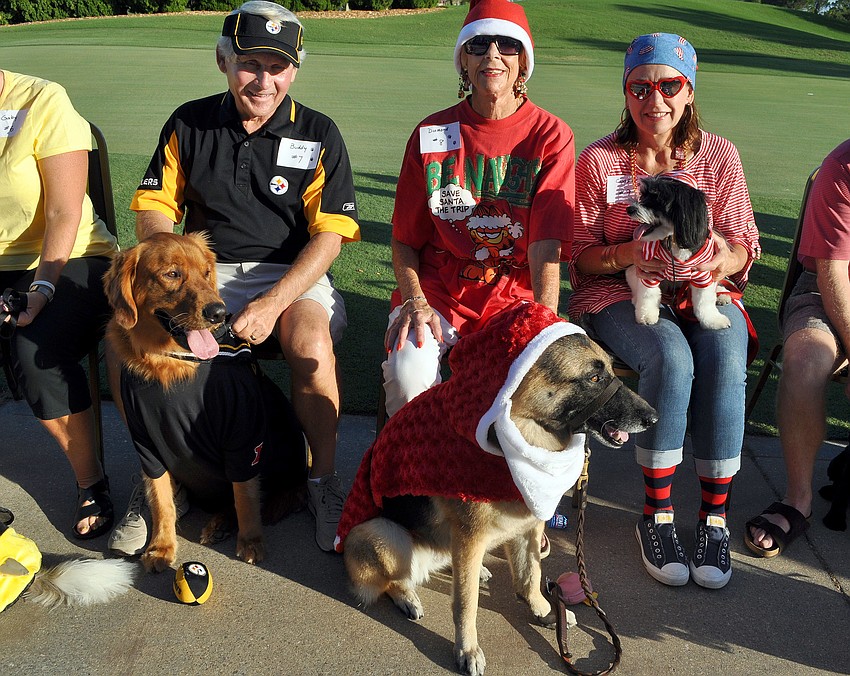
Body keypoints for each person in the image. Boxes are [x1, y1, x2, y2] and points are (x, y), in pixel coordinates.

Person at [124, 1, 360, 553]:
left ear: (294, 70)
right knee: (128, 338)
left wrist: (275, 303)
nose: (263, 80)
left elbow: (329, 236)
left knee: (310, 345)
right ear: (223, 61)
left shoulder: (319, 131)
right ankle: (158, 485)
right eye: (250, 63)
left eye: (277, 67)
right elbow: (154, 209)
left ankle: (321, 483)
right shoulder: (189, 121)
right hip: (206, 272)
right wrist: (176, 269)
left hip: (291, 274)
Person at [568, 34, 760, 589]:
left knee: (725, 353)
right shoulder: (599, 159)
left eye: (669, 85)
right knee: (671, 359)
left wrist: (718, 257)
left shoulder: (719, 154)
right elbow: (581, 256)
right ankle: (656, 515)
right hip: (617, 295)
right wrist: (634, 253)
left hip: (703, 289)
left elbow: (745, 244)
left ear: (689, 90)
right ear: (626, 93)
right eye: (640, 87)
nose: (655, 99)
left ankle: (715, 520)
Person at [381, 0, 574, 419]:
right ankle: (412, 475)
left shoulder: (551, 135)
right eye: (478, 44)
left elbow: (546, 246)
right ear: (462, 63)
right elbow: (404, 239)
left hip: (514, 297)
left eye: (507, 45)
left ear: (523, 62)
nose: (492, 55)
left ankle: (488, 483)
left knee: (517, 392)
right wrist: (415, 301)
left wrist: (544, 322)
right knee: (408, 373)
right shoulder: (431, 133)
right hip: (437, 291)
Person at [0, 69, 118, 539]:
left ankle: (92, 481)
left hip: (67, 258)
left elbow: (64, 212)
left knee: (35, 349)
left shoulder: (42, 99)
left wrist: (42, 288)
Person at [745, 141, 850, 557]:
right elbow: (832, 274)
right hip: (829, 291)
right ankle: (798, 499)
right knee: (805, 361)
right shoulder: (841, 167)